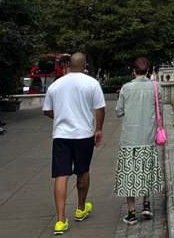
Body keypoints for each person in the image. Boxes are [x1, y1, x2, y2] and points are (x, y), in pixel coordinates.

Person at [42, 53, 106, 236]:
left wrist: (60, 117)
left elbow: (47, 110)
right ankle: (80, 208)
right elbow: (100, 108)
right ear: (85, 65)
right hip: (84, 134)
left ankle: (61, 221)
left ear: (69, 65)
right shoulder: (92, 83)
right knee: (83, 171)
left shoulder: (56, 85)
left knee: (61, 175)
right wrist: (99, 129)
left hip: (61, 136)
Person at [114, 57, 164, 225]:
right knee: (146, 172)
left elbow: (119, 112)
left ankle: (131, 212)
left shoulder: (126, 88)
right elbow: (160, 110)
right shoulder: (156, 87)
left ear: (133, 70)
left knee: (130, 175)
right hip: (148, 138)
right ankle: (147, 205)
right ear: (148, 70)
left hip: (130, 139)